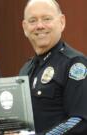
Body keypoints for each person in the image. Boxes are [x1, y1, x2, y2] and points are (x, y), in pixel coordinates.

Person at [19, 0, 87, 134]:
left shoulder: (75, 64)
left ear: (62, 22)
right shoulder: (25, 70)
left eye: (47, 19)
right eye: (32, 21)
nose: (39, 26)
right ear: (25, 27)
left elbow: (80, 120)